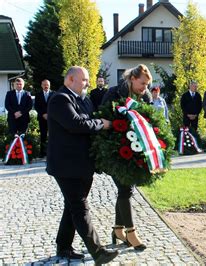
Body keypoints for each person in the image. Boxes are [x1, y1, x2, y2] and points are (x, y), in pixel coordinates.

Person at [47, 66, 118, 264]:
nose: (88, 83)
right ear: (70, 79)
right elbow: (76, 124)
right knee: (80, 207)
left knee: (71, 207)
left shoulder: (83, 99)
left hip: (82, 164)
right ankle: (98, 252)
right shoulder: (60, 99)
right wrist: (99, 124)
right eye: (84, 79)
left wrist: (91, 121)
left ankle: (63, 247)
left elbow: (88, 118)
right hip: (65, 166)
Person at [101, 64, 151, 251]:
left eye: (146, 85)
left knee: (126, 189)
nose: (144, 88)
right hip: (115, 150)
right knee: (125, 189)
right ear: (132, 78)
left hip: (135, 150)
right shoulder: (114, 93)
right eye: (142, 83)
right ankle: (131, 233)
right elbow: (102, 116)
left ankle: (117, 229)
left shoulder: (144, 97)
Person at [34, 79, 54, 157]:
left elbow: (55, 106)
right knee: (43, 135)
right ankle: (42, 152)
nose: (46, 86)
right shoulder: (38, 94)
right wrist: (43, 114)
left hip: (51, 118)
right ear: (41, 85)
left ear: (49, 85)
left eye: (47, 84)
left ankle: (52, 152)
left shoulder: (54, 94)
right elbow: (36, 106)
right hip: (42, 118)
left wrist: (49, 114)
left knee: (52, 135)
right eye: (44, 84)